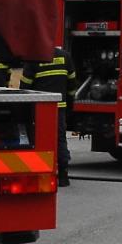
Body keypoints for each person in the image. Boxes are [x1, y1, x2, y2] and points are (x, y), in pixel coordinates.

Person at [24, 46, 72, 186]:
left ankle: (39, 173)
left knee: (38, 139)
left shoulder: (33, 59)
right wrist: (69, 103)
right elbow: (72, 84)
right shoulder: (65, 56)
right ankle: (63, 176)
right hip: (59, 107)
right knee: (60, 139)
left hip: (40, 108)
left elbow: (25, 86)